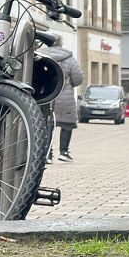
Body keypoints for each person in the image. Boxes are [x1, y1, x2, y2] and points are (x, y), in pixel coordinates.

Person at [42, 35, 84, 163]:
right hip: (65, 96)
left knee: (48, 124)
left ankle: (47, 155)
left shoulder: (41, 55)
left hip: (47, 95)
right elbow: (77, 79)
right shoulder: (69, 58)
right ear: (61, 43)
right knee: (67, 124)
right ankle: (64, 152)